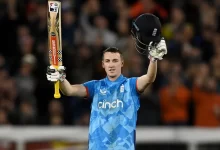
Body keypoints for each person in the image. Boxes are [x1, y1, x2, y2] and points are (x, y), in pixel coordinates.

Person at [46, 13, 167, 150]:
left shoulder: (130, 85)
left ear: (122, 63)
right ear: (103, 64)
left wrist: (154, 59)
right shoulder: (95, 86)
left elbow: (149, 77)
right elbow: (69, 90)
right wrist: (60, 78)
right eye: (108, 61)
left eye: (115, 61)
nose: (111, 65)